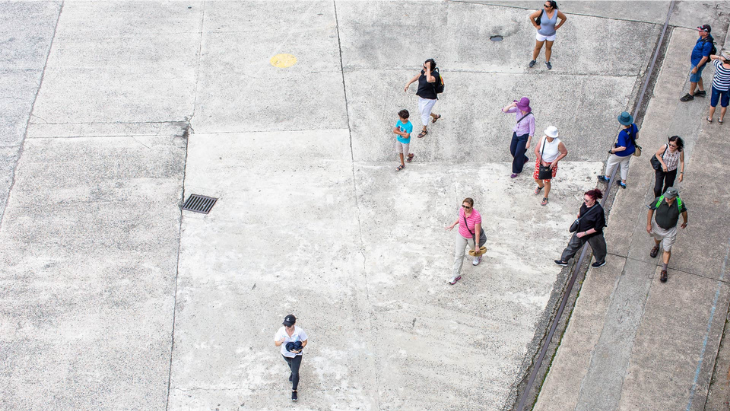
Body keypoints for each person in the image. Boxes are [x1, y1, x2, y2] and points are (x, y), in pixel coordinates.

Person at [554, 189, 607, 268]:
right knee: (572, 245)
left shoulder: (599, 211)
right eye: (584, 199)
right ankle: (564, 260)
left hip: (593, 234)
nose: (585, 201)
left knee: (598, 248)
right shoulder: (585, 204)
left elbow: (597, 228)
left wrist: (584, 233)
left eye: (587, 200)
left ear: (593, 200)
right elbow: (581, 211)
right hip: (581, 229)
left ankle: (600, 261)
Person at [646, 187, 688, 283]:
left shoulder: (679, 203)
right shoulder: (659, 200)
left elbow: (684, 212)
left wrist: (685, 222)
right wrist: (648, 224)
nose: (667, 198)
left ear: (674, 197)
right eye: (666, 196)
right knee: (657, 238)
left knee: (667, 249)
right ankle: (656, 246)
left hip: (670, 230)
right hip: (657, 226)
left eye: (669, 197)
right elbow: (651, 209)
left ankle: (664, 269)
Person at [445, 198, 484, 285]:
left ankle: (478, 255)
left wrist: (477, 245)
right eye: (463, 206)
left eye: (467, 207)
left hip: (471, 237)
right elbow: (461, 218)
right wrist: (453, 224)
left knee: (475, 250)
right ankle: (455, 275)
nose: (465, 208)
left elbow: (477, 232)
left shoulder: (477, 216)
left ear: (472, 207)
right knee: (458, 255)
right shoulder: (462, 210)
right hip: (461, 235)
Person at [597, 111, 639, 189]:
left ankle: (607, 177)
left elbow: (623, 147)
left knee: (610, 162)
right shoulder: (634, 126)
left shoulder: (622, 133)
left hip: (621, 153)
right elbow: (636, 137)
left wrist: (613, 150)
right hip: (630, 151)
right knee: (624, 166)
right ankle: (623, 182)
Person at [404, 59, 442, 138]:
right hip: (422, 97)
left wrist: (427, 69)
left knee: (424, 114)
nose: (423, 67)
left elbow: (428, 80)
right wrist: (408, 83)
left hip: (430, 99)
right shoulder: (424, 71)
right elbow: (417, 77)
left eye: (425, 66)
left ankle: (424, 130)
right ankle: (435, 116)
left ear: (430, 68)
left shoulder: (434, 76)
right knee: (423, 111)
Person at [274, 314, 308, 402]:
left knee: (295, 372)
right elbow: (276, 343)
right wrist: (281, 341)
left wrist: (300, 348)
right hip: (285, 354)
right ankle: (292, 373)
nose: (287, 327)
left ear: (294, 324)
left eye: (289, 325)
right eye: (285, 325)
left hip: (297, 355)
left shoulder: (299, 331)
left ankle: (294, 390)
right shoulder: (281, 331)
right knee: (290, 365)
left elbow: (305, 341)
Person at [533, 126, 568, 206]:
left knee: (547, 181)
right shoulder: (543, 139)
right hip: (541, 162)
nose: (547, 136)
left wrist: (554, 161)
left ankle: (545, 196)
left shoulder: (558, 143)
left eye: (549, 135)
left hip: (551, 165)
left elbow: (564, 152)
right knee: (536, 178)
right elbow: (536, 151)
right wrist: (543, 161)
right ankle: (541, 186)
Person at [502, 97, 536, 178]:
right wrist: (511, 105)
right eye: (521, 108)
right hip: (516, 133)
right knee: (512, 150)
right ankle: (523, 159)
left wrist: (528, 141)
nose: (522, 110)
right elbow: (504, 110)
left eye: (523, 109)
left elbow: (532, 130)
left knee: (518, 153)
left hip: (524, 136)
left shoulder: (530, 117)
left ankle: (516, 171)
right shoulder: (517, 109)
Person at [528, 1, 567, 70]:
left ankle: (547, 61)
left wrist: (557, 27)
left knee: (548, 48)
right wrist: (536, 26)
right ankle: (533, 60)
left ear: (551, 7)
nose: (544, 7)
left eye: (546, 6)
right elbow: (531, 17)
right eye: (544, 5)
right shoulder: (541, 11)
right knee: (537, 47)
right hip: (541, 34)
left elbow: (564, 18)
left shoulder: (556, 12)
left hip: (551, 34)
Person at [680, 25, 714, 102]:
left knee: (693, 79)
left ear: (706, 33)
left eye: (700, 31)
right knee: (697, 76)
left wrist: (696, 67)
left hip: (697, 63)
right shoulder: (703, 37)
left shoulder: (707, 44)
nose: (699, 32)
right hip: (695, 61)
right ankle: (701, 91)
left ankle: (690, 94)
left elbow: (705, 57)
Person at [707, 50, 730, 123]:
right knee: (724, 105)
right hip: (726, 88)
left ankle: (710, 118)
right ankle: (721, 119)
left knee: (713, 103)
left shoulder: (719, 65)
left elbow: (711, 56)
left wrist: (719, 57)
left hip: (716, 86)